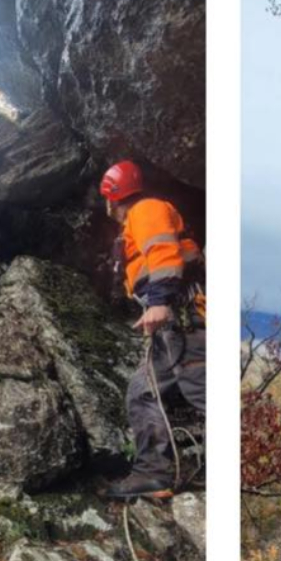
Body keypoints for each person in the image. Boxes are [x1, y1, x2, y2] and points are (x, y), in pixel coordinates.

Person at [99, 160, 206, 498]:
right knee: (142, 392)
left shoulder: (146, 211)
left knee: (203, 392)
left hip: (187, 320)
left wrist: (159, 302)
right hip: (170, 329)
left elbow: (163, 252)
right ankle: (152, 474)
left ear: (111, 199)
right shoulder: (138, 219)